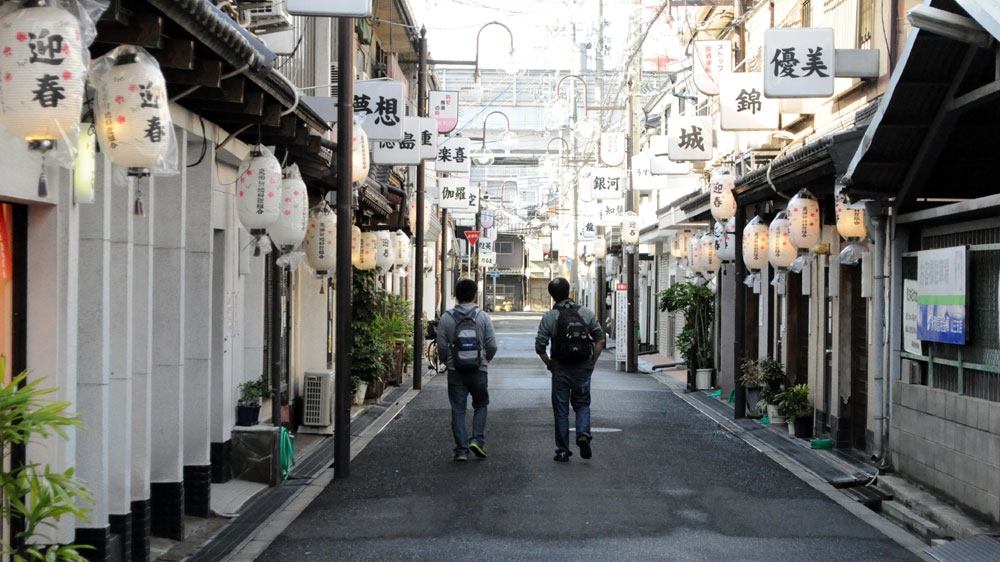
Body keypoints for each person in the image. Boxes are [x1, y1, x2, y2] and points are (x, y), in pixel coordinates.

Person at [535, 277, 605, 462]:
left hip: (560, 368)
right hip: (582, 367)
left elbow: (540, 346)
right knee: (582, 404)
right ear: (569, 292)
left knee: (561, 409)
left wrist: (549, 364)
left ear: (552, 295)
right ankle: (583, 434)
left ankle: (563, 450)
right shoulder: (585, 313)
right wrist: (592, 362)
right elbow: (600, 340)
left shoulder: (550, 317)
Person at [437, 278, 498, 461]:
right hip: (478, 370)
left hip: (456, 371)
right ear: (474, 296)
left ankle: (461, 450)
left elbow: (441, 346)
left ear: (456, 296)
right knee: (480, 404)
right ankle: (477, 440)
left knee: (458, 409)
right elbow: (492, 345)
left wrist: (447, 362)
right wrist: (484, 360)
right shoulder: (482, 317)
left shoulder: (447, 317)